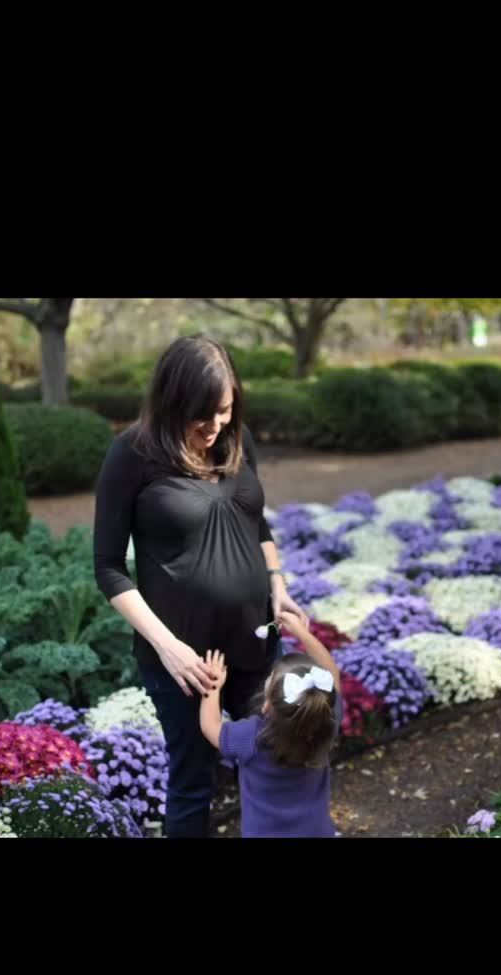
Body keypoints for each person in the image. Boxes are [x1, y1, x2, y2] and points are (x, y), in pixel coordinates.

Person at [93, 335, 308, 838]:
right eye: (201, 415)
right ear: (172, 402)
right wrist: (167, 648)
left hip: (255, 643)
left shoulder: (237, 439)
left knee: (277, 764)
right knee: (194, 785)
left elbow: (256, 523)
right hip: (185, 665)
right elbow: (108, 567)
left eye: (225, 410)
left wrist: (277, 582)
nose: (215, 426)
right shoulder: (131, 455)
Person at [199, 612, 343, 838]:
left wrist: (213, 685)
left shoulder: (251, 737)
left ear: (267, 705)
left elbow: (210, 727)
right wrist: (302, 633)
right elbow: (332, 674)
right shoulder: (325, 723)